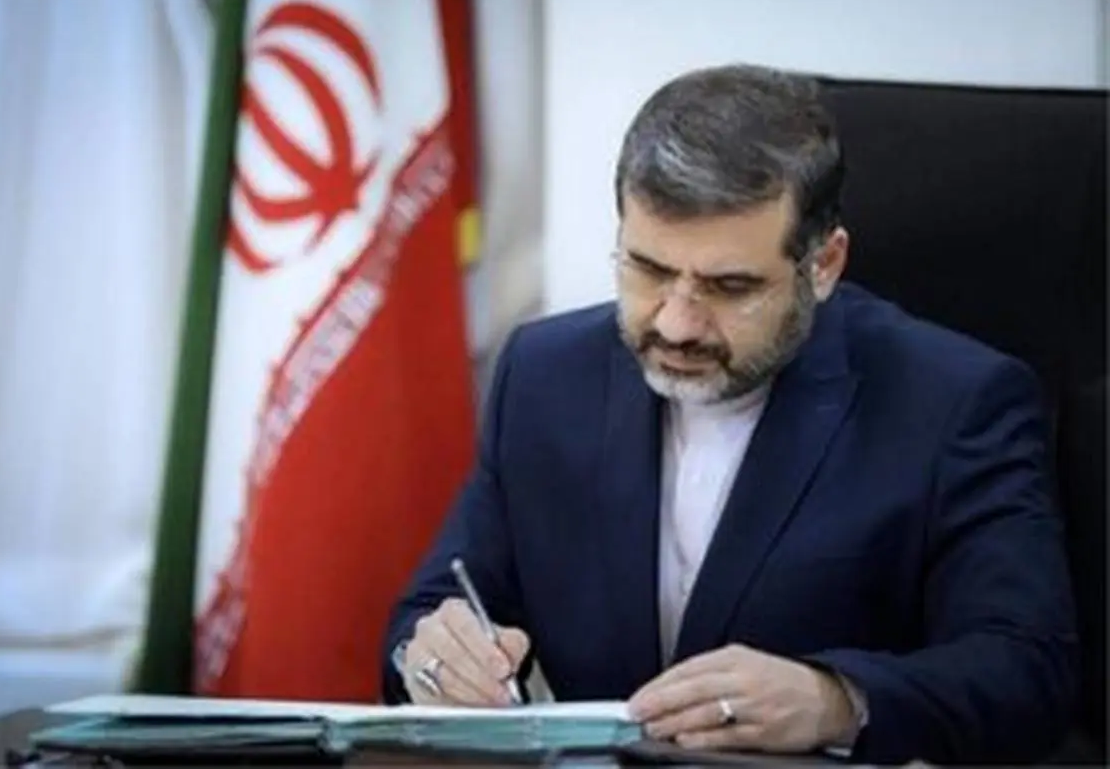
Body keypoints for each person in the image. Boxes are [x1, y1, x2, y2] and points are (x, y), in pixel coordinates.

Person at [379, 64, 1078, 765]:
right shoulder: (545, 375)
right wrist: (433, 657)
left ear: (824, 265)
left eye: (730, 286)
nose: (677, 324)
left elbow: (1027, 673)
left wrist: (835, 702)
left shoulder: (956, 402)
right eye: (649, 270)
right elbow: (434, 608)